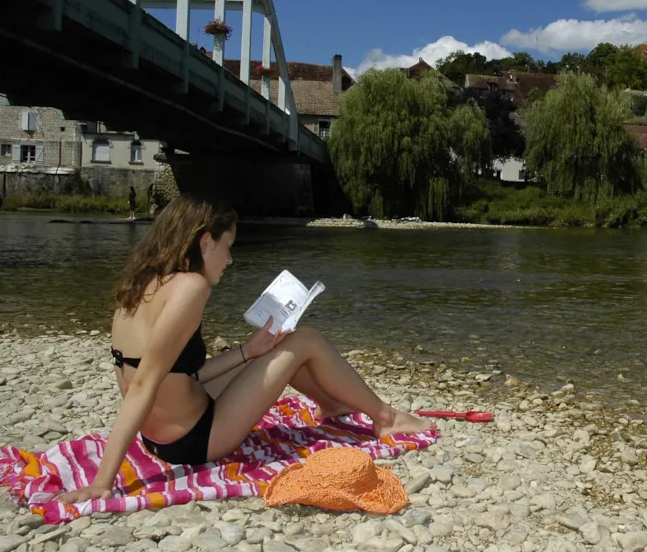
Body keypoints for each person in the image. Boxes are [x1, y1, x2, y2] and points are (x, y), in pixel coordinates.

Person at [55, 193, 434, 504]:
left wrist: (247, 351)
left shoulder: (141, 285)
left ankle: (334, 405)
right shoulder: (192, 288)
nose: (231, 259)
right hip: (194, 439)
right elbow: (143, 387)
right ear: (206, 241)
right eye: (228, 246)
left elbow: (178, 375)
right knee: (306, 338)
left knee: (279, 341)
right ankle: (385, 417)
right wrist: (104, 482)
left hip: (162, 436)